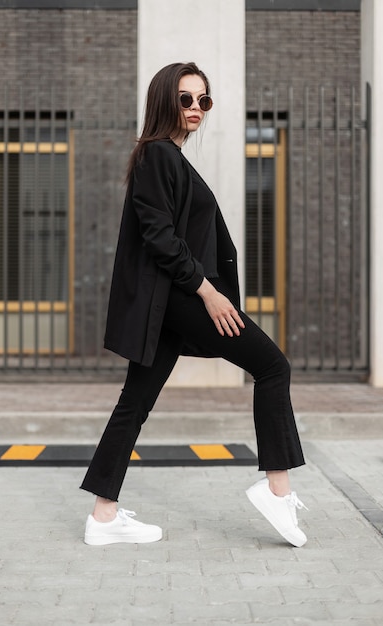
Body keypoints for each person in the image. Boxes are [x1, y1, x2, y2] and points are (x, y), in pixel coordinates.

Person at [80, 62, 307, 548]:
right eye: (186, 99)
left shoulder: (166, 159)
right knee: (272, 367)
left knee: (134, 403)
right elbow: (160, 239)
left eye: (204, 100)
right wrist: (208, 292)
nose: (196, 109)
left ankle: (102, 516)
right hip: (184, 296)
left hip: (171, 301)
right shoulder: (158, 154)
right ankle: (277, 490)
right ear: (165, 100)